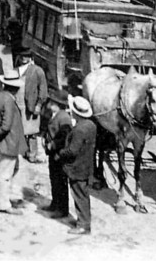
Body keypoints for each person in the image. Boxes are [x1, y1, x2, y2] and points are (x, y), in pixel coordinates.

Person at [0, 70, 29, 215]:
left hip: (7, 142)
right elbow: (6, 125)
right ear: (15, 87)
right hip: (9, 142)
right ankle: (4, 204)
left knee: (13, 169)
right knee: (5, 173)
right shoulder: (9, 100)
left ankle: (10, 197)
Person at [57, 96, 97, 235]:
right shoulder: (91, 125)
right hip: (87, 166)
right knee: (83, 195)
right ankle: (84, 222)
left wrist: (60, 153)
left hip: (77, 167)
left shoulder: (79, 129)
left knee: (79, 195)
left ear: (76, 113)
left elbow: (72, 151)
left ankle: (83, 225)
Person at [42, 89, 73, 220]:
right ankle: (55, 203)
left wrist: (53, 145)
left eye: (52, 101)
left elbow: (65, 136)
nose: (49, 103)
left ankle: (63, 209)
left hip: (59, 154)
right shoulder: (55, 115)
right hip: (52, 153)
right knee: (53, 178)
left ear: (56, 103)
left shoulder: (64, 117)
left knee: (61, 181)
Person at [17, 47, 48, 163]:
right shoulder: (18, 69)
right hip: (19, 103)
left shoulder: (37, 71)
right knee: (20, 129)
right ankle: (22, 150)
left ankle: (32, 154)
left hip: (31, 105)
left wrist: (39, 105)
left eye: (27, 56)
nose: (24, 59)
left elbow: (43, 90)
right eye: (22, 56)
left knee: (32, 131)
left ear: (31, 58)